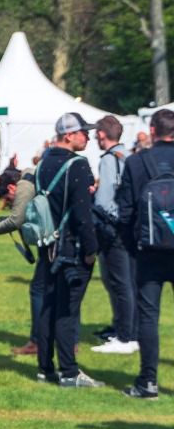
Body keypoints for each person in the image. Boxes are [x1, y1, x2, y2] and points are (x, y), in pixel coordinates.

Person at [34, 112, 102, 387]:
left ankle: (44, 368)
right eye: (84, 132)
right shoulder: (78, 164)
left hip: (47, 243)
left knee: (48, 307)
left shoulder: (42, 163)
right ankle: (70, 372)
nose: (88, 137)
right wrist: (92, 249)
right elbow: (82, 214)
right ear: (69, 135)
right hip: (71, 247)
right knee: (67, 310)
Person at [115, 107, 174, 399]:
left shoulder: (136, 162)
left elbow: (125, 212)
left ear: (152, 131)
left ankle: (148, 381)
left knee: (148, 317)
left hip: (149, 251)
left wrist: (132, 245)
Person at [90, 115, 138, 355]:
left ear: (102, 135)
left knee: (118, 282)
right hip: (130, 226)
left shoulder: (110, 160)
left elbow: (104, 200)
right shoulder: (129, 156)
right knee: (128, 281)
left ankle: (125, 335)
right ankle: (125, 328)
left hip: (114, 228)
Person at [0, 166, 41, 355]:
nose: (9, 204)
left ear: (11, 188)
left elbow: (16, 220)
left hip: (57, 244)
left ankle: (37, 342)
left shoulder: (23, 185)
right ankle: (69, 344)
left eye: (8, 200)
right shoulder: (31, 178)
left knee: (38, 290)